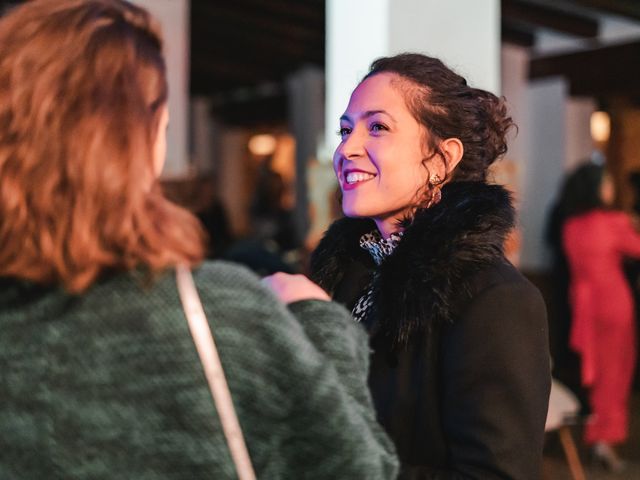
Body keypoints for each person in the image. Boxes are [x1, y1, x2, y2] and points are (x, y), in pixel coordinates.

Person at [0, 1, 399, 479]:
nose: (350, 148)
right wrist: (323, 327)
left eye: (378, 127)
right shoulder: (215, 316)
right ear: (143, 138)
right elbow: (356, 470)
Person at [304, 53, 551, 478]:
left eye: (377, 127)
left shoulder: (496, 301)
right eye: (345, 130)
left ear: (441, 159)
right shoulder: (345, 276)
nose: (347, 148)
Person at [561, 162, 640, 472]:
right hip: (612, 304)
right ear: (596, 188)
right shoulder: (612, 222)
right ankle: (605, 440)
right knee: (616, 371)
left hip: (583, 307)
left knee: (596, 370)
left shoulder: (571, 226)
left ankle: (598, 437)